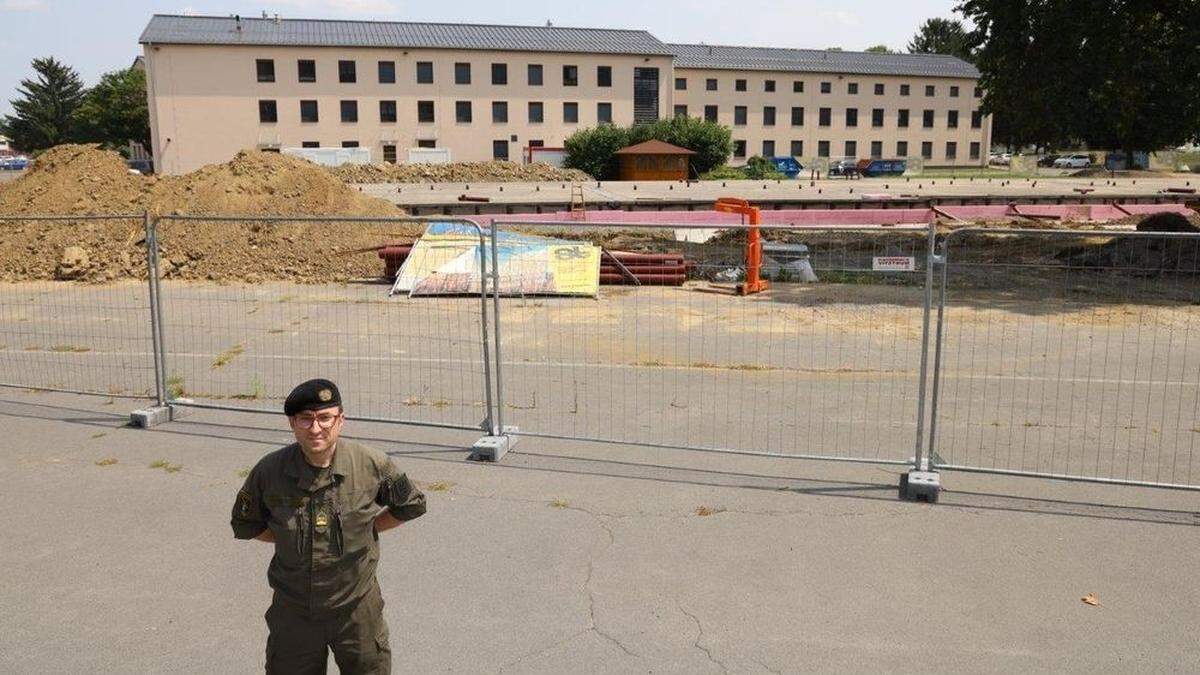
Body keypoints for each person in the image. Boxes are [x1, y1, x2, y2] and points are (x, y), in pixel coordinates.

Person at [231, 378, 426, 674]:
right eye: (306, 419)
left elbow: (411, 504)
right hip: (294, 612)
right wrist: (286, 536)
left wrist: (369, 527)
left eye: (325, 418)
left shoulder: (371, 464)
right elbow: (246, 523)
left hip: (356, 610)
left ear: (341, 420)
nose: (316, 428)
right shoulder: (269, 472)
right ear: (292, 423)